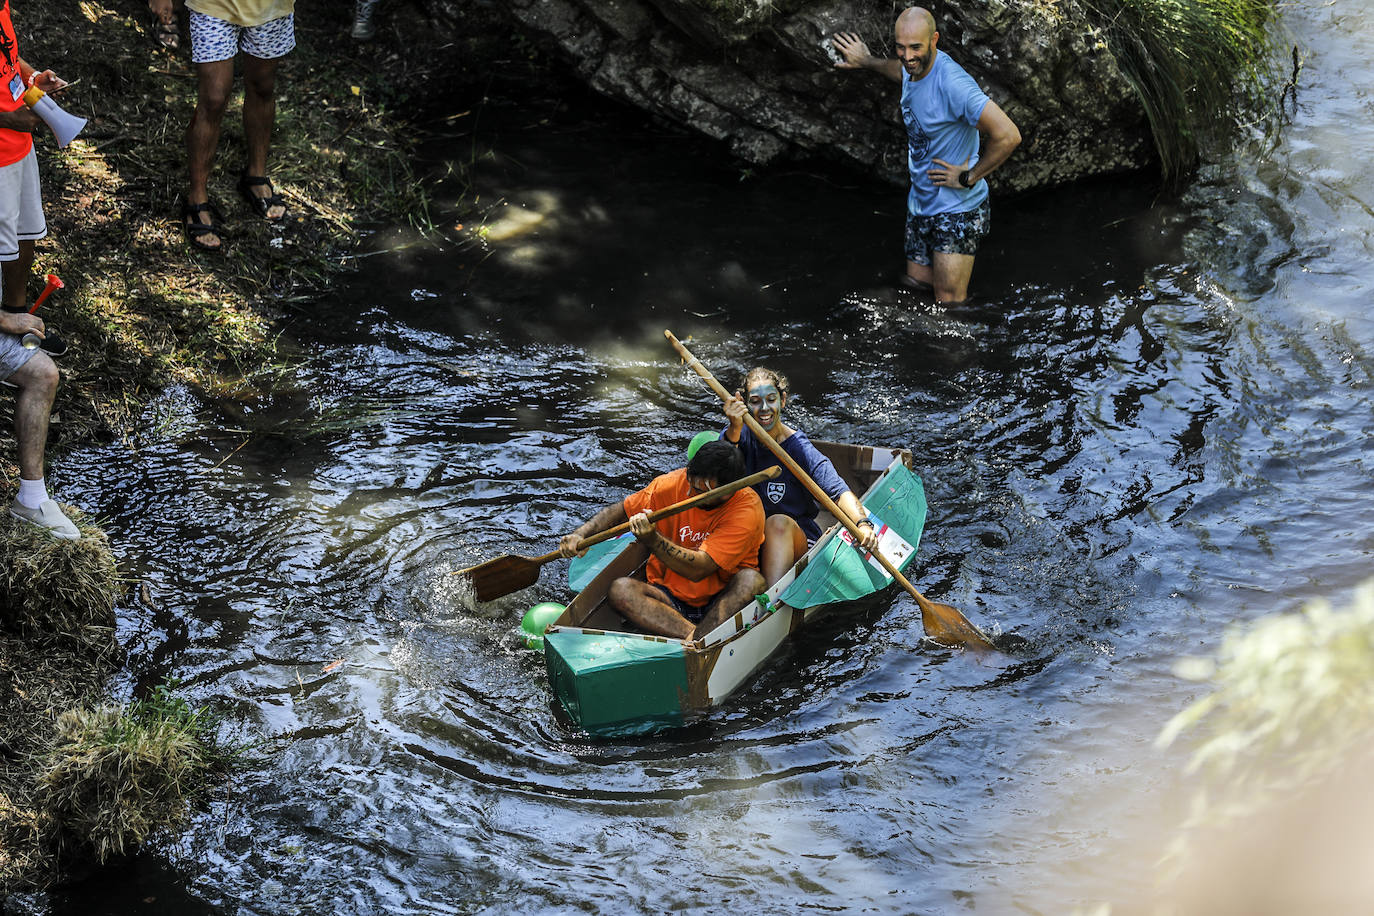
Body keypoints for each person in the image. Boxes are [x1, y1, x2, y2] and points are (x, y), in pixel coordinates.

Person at [832, 7, 1021, 304]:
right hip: (921, 202)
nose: (907, 56)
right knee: (916, 287)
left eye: (915, 47)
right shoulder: (912, 68)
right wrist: (866, 60)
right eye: (901, 47)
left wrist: (968, 177)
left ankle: (963, 350)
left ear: (934, 40)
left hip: (957, 209)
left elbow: (1008, 135)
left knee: (949, 304)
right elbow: (899, 71)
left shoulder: (954, 85)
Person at [558, 441, 765, 642]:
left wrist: (653, 540)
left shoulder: (746, 509)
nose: (689, 495)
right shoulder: (671, 484)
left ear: (728, 491)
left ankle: (698, 643)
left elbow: (699, 569)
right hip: (670, 599)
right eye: (690, 484)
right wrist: (582, 534)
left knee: (751, 581)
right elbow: (623, 510)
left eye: (701, 492)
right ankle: (697, 639)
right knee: (620, 590)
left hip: (722, 598)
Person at [0, 4, 77, 540]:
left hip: (15, 152)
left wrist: (29, 78)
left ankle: (31, 501)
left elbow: (6, 61)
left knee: (23, 241)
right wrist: (5, 116)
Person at [148, 0, 295, 251]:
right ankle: (197, 196)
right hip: (212, 5)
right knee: (213, 99)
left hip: (271, 6)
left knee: (263, 86)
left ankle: (256, 176)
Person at [721, 367, 877, 586]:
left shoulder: (799, 448)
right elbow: (718, 477)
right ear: (745, 404)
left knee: (777, 524)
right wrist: (734, 429)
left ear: (783, 400)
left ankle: (771, 602)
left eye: (771, 399)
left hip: (790, 538)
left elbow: (838, 491)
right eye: (755, 401)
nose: (764, 409)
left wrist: (862, 523)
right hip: (749, 534)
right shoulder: (736, 435)